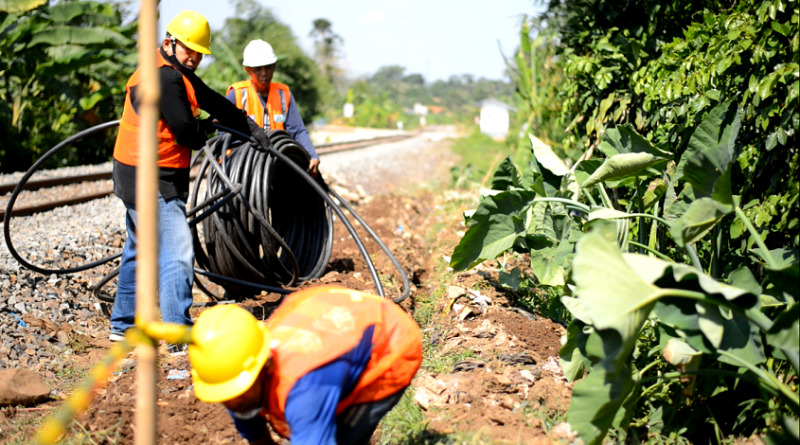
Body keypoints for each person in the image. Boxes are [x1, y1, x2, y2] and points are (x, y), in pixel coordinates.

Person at [109, 10, 270, 344]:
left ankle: (123, 325)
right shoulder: (166, 79)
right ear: (170, 42)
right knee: (177, 249)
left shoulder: (171, 68)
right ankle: (178, 332)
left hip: (134, 172)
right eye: (188, 50)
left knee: (139, 248)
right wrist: (208, 129)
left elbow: (210, 98)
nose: (194, 57)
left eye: (199, 52)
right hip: (151, 177)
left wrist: (248, 126)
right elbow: (186, 132)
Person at [188, 285, 423, 445]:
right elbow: (254, 431)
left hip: (388, 341)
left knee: (343, 438)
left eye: (237, 394)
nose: (231, 401)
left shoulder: (305, 393)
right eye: (224, 395)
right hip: (325, 314)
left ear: (263, 367)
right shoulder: (235, 372)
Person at [226, 39, 321, 177]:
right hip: (242, 165)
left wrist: (312, 155)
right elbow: (223, 133)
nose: (264, 73)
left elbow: (298, 130)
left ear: (274, 67)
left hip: (276, 161)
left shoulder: (284, 94)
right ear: (248, 70)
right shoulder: (238, 94)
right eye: (258, 69)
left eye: (268, 67)